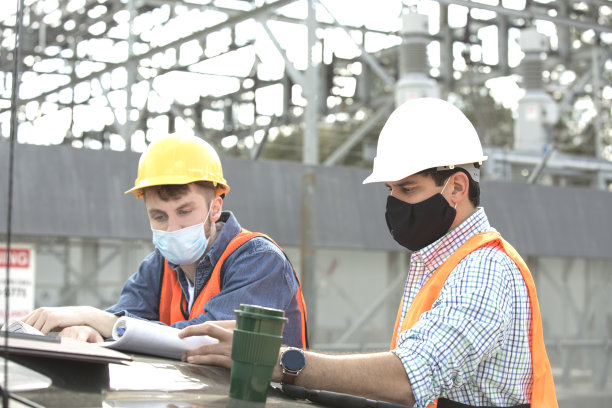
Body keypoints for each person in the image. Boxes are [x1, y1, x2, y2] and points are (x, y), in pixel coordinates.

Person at [179, 98, 558, 408]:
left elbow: (410, 376)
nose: (394, 203)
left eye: (407, 190)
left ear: (457, 187)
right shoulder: (439, 263)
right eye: (390, 190)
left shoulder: (484, 268)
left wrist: (278, 361)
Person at [21, 134, 308, 348]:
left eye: (184, 211)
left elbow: (204, 340)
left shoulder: (259, 260)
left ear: (215, 207)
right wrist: (89, 331)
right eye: (159, 217)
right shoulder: (158, 266)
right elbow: (123, 324)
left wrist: (93, 317)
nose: (172, 228)